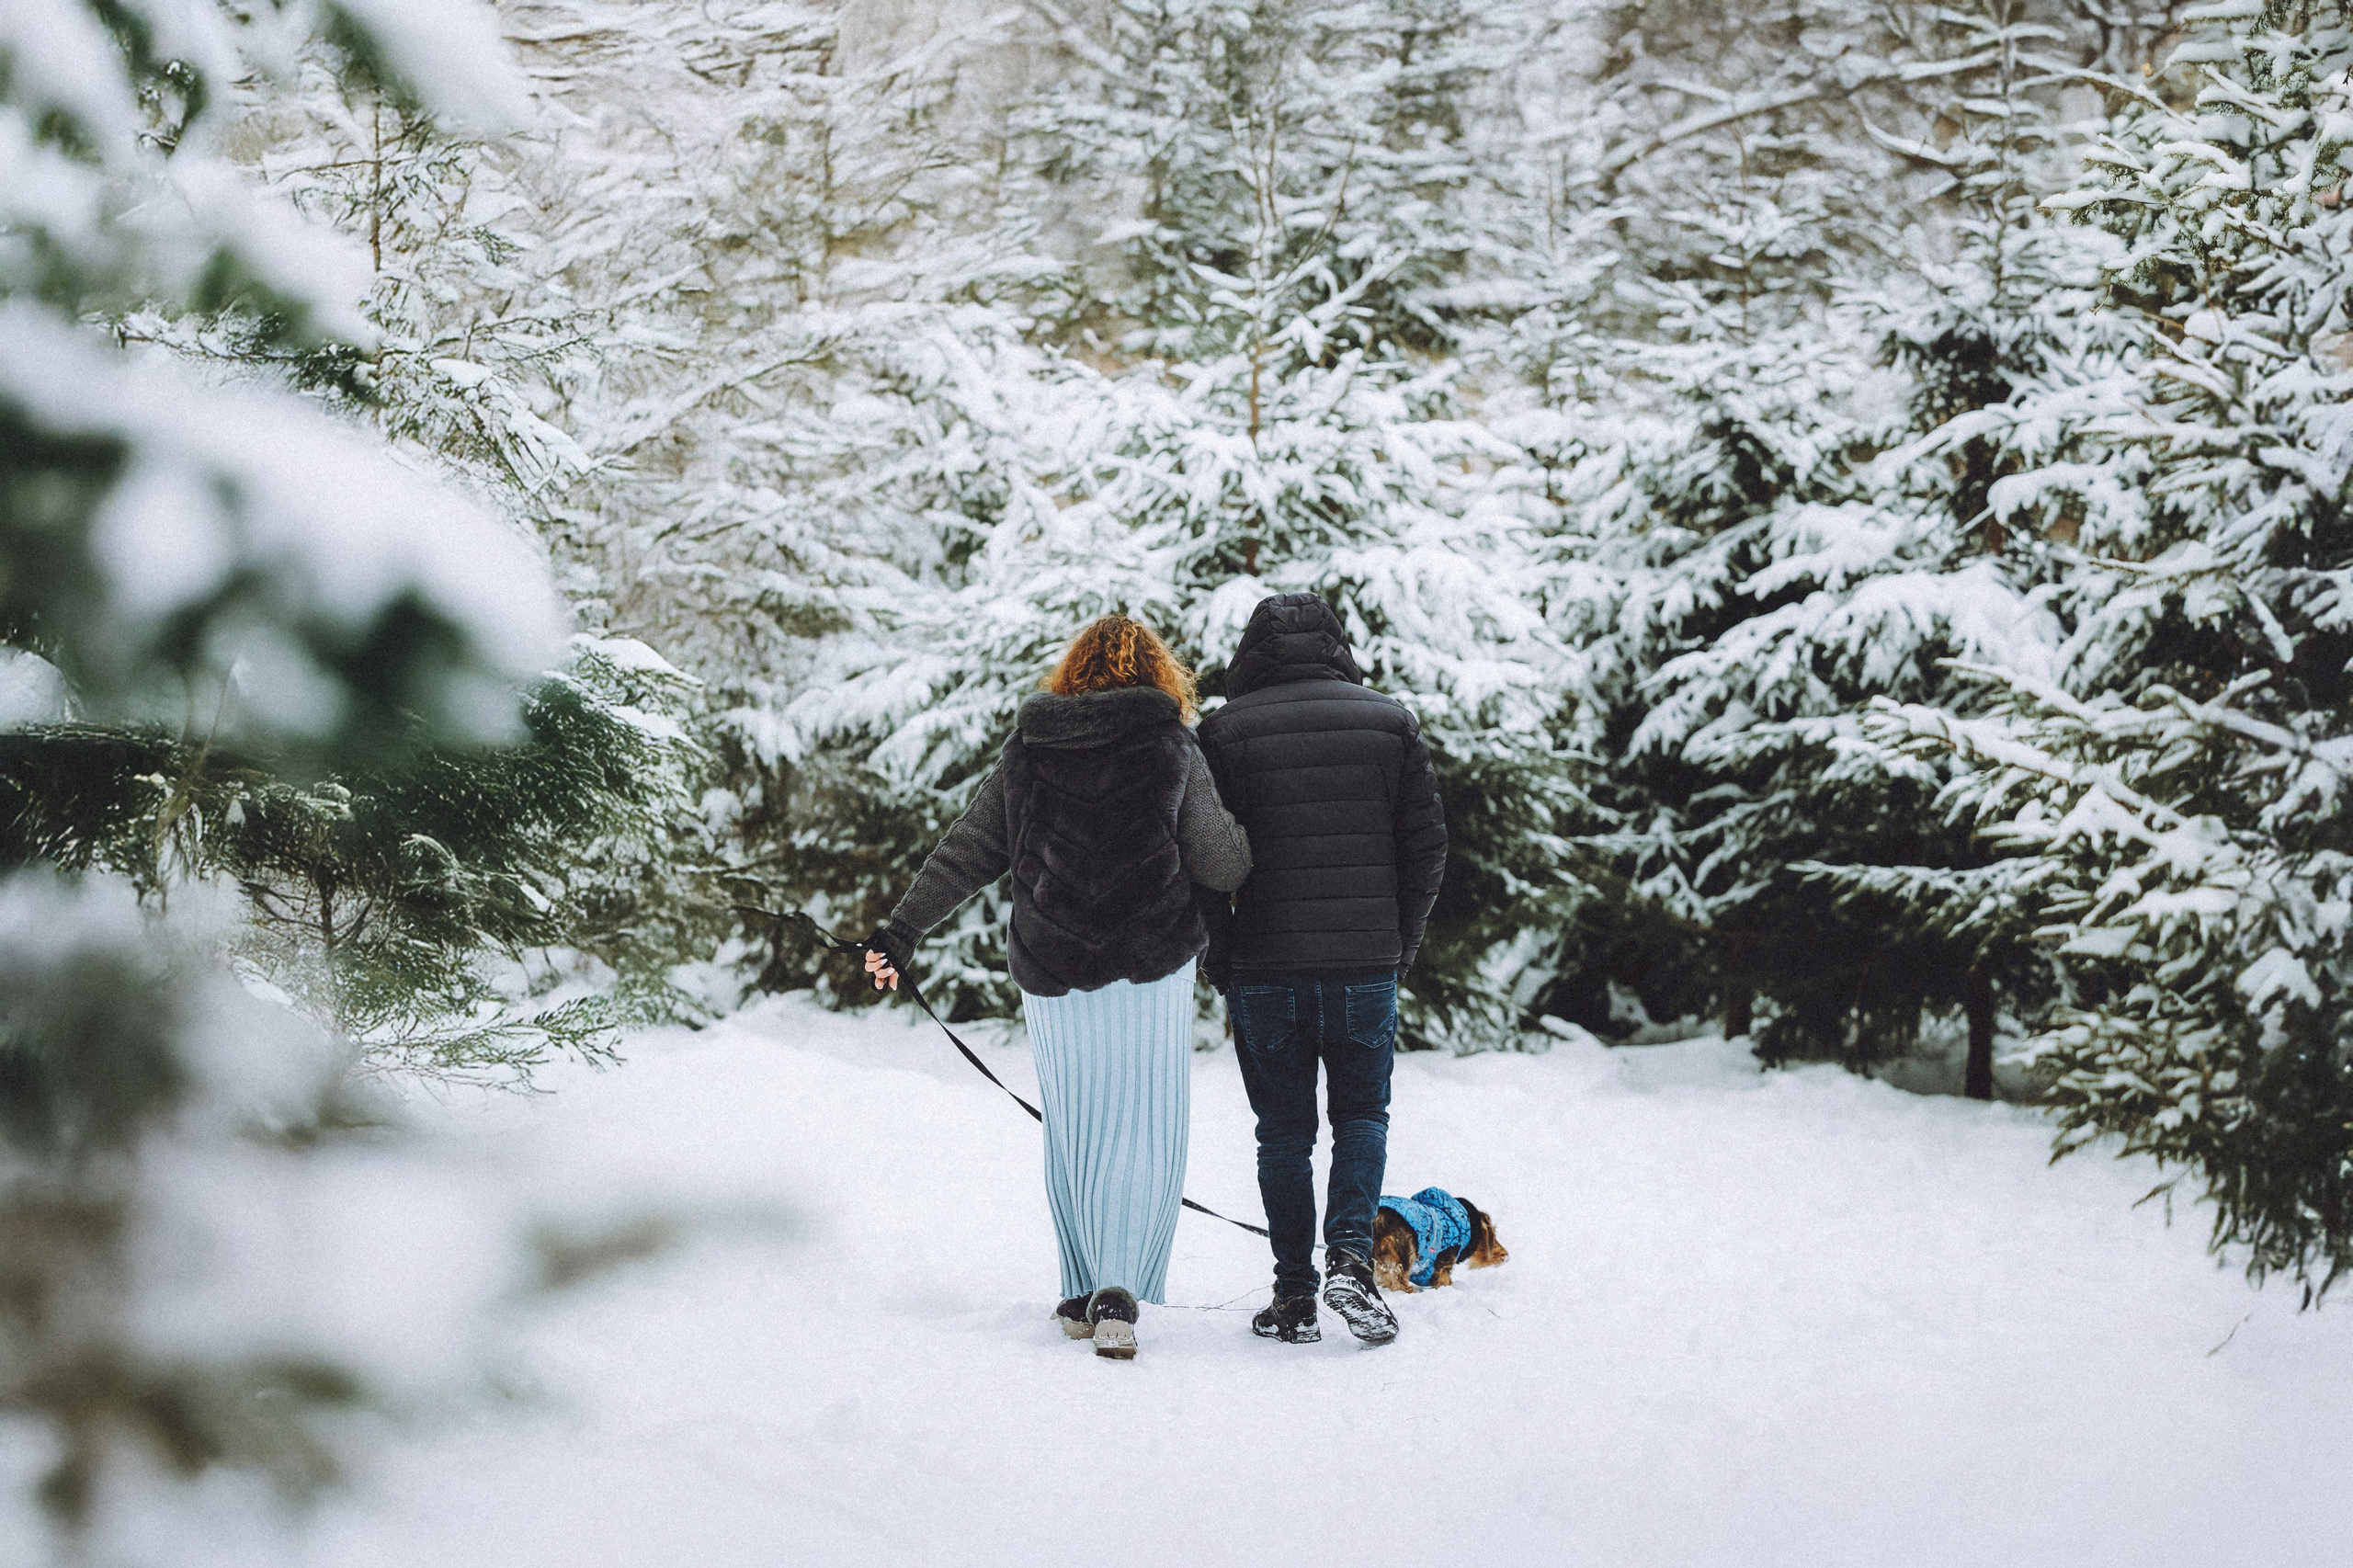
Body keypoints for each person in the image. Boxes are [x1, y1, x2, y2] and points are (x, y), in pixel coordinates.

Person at [862, 613, 1251, 1361]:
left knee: (1075, 1127)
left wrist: (901, 931)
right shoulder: (1170, 743)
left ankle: (1080, 1293)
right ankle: (1117, 1290)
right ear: (1160, 674)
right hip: (1149, 967)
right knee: (1141, 1125)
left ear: (1072, 673)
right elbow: (1223, 862)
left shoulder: (1031, 748)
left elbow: (969, 849)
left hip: (1052, 967)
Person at [1195, 593, 1447, 1347]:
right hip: (1365, 962)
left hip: (1266, 963)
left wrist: (1222, 954)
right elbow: (1427, 848)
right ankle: (1350, 1261)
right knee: (1362, 1117)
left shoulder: (1224, 732)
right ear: (1337, 647)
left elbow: (1202, 855)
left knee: (1282, 1135)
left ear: (1251, 653)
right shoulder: (1389, 722)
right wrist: (1400, 943)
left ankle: (1295, 1295)